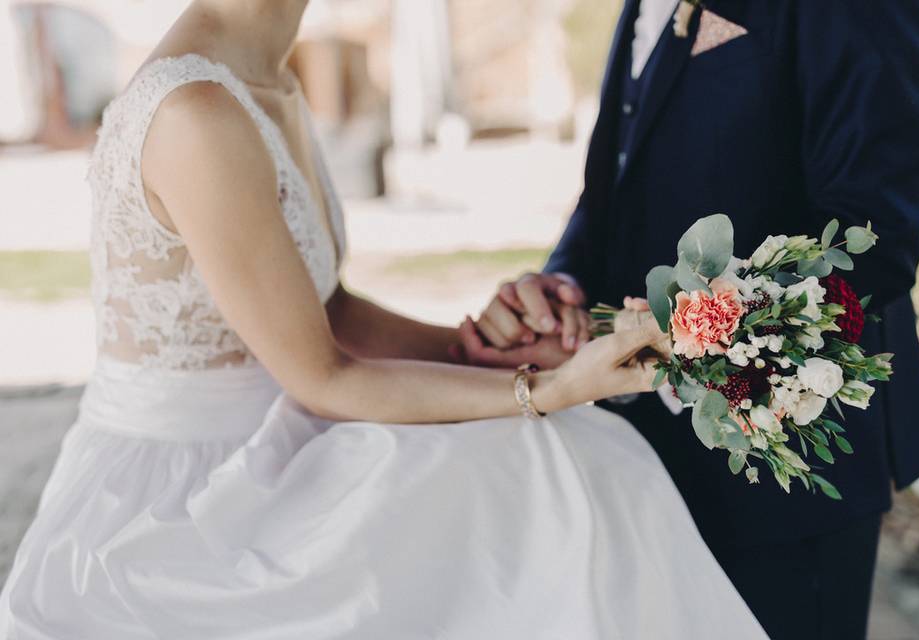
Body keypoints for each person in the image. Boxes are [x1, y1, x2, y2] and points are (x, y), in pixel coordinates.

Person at [0, 1, 769, 638]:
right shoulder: (196, 110)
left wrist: (483, 351)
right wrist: (547, 388)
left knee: (583, 463)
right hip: (185, 497)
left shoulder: (266, 75)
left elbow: (326, 311)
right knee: (558, 467)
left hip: (282, 429)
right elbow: (322, 372)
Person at [467, 1, 919, 638]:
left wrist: (695, 334)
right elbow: (616, 183)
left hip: (780, 470)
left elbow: (874, 236)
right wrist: (564, 288)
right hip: (631, 456)